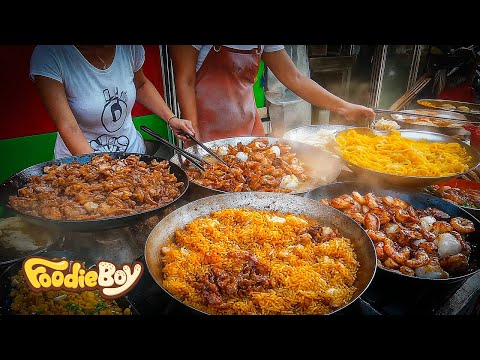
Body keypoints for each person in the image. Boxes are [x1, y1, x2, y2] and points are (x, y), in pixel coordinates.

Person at [169, 45, 376, 147]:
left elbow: (295, 78)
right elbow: (184, 80)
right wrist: (194, 136)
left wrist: (344, 107)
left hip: (249, 128)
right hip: (207, 130)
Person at [30, 45, 195, 159]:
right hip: (81, 164)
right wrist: (106, 172)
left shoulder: (128, 48)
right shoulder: (49, 54)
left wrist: (171, 118)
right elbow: (68, 126)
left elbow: (141, 85)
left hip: (133, 157)